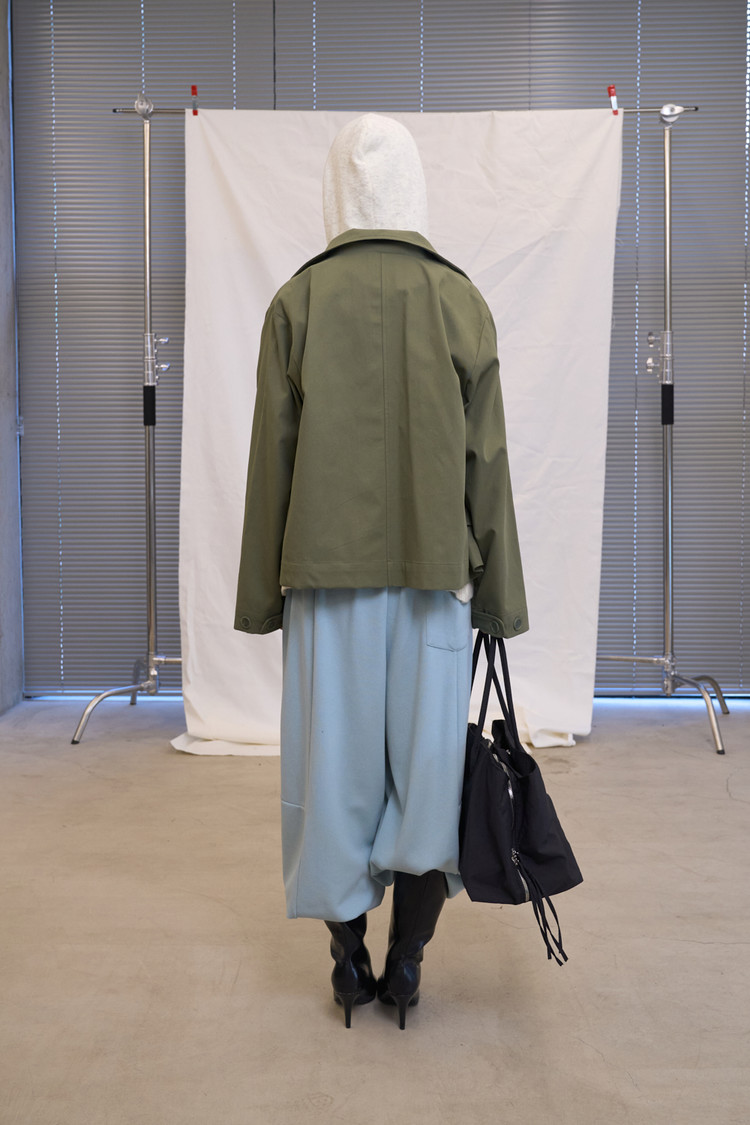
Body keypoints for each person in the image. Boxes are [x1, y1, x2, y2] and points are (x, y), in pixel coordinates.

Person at [234, 113, 528, 1029]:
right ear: (414, 190)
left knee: (333, 779)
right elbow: (488, 462)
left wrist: (261, 594)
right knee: (429, 776)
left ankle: (348, 959)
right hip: (436, 584)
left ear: (337, 192)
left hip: (327, 587)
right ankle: (408, 962)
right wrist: (499, 599)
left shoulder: (297, 301)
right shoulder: (459, 300)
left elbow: (272, 460)